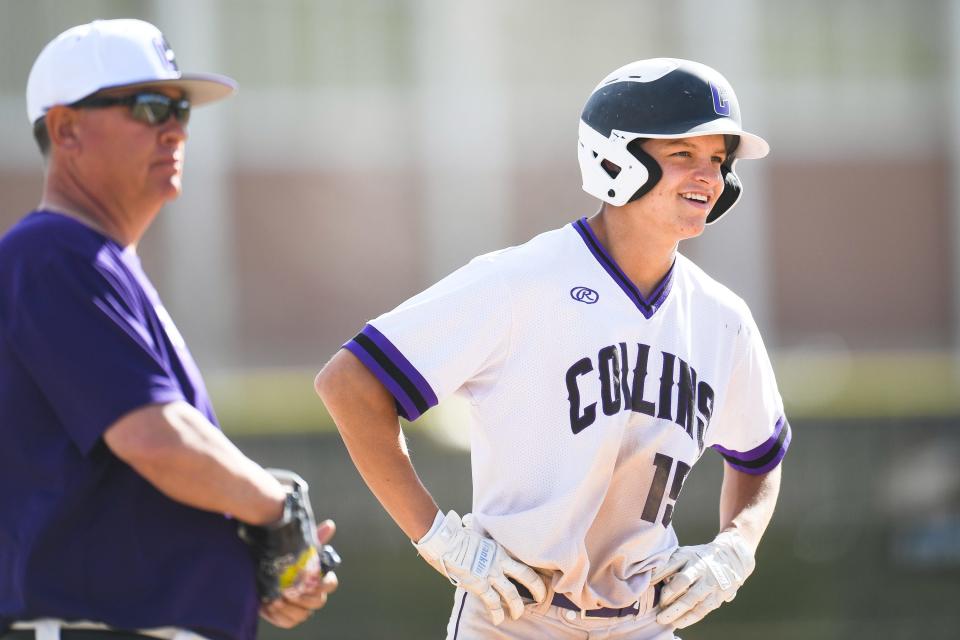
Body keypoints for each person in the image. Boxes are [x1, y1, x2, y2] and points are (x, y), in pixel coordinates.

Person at [315, 57, 790, 639]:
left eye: (718, 160)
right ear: (617, 157)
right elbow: (349, 382)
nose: (708, 178)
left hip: (643, 621)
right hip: (515, 616)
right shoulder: (520, 282)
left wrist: (735, 549)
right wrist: (438, 538)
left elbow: (760, 456)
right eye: (682, 155)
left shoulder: (722, 319)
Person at [0, 19, 337, 640]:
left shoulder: (95, 261)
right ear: (65, 128)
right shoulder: (51, 253)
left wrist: (256, 563)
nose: (176, 127)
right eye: (149, 106)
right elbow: (156, 438)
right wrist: (273, 510)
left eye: (181, 108)